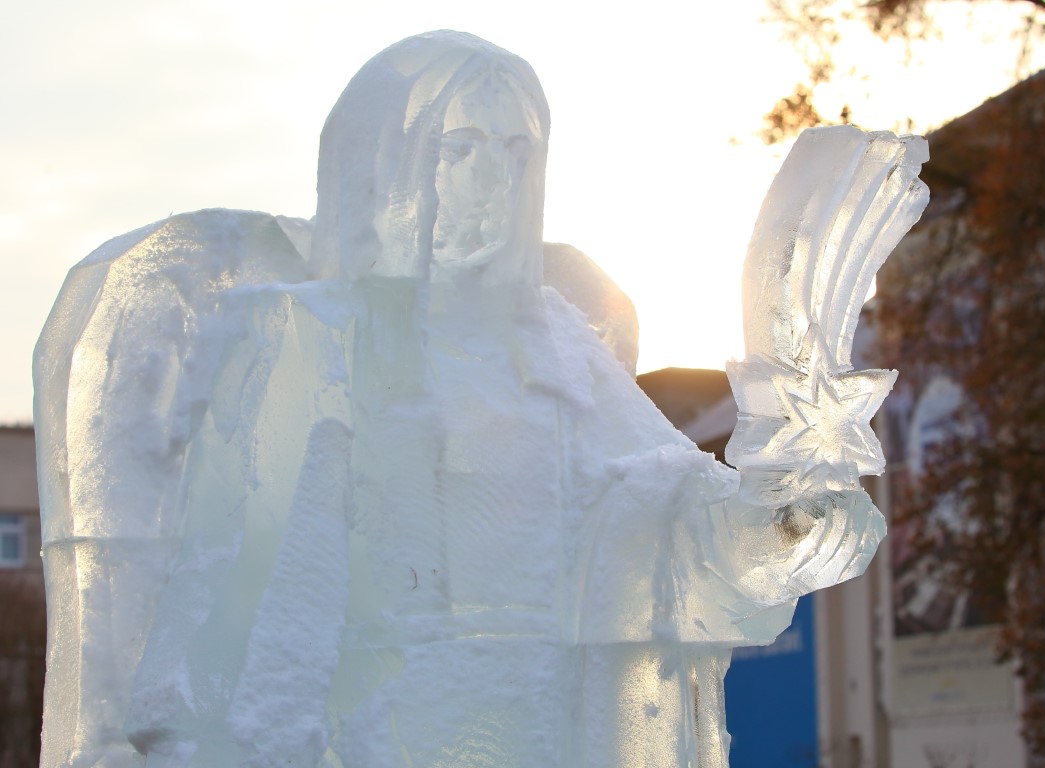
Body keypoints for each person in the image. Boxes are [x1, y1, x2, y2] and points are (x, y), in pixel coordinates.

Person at [35, 31, 923, 768]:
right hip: (377, 730)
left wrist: (770, 526)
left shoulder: (558, 344)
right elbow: (260, 599)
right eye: (459, 149)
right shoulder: (312, 338)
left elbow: (656, 516)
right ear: (383, 166)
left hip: (549, 725)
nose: (493, 180)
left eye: (515, 151)